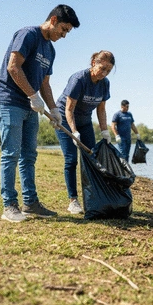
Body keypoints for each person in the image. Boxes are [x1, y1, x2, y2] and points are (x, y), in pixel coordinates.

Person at [0, 4, 80, 223]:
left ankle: (30, 203)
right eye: (64, 29)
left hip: (31, 106)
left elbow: (45, 83)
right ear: (53, 20)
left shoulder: (50, 50)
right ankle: (9, 206)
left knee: (29, 156)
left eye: (67, 31)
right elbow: (14, 67)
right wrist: (33, 96)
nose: (64, 35)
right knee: (11, 154)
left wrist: (53, 109)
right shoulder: (27, 35)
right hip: (9, 101)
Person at [55, 50, 115, 214]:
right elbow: (69, 109)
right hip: (64, 119)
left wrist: (105, 132)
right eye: (102, 68)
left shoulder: (105, 84)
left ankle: (94, 197)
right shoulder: (79, 79)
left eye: (108, 71)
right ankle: (73, 200)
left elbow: (101, 110)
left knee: (92, 158)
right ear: (93, 62)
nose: (104, 73)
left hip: (85, 121)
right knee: (71, 159)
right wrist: (73, 131)